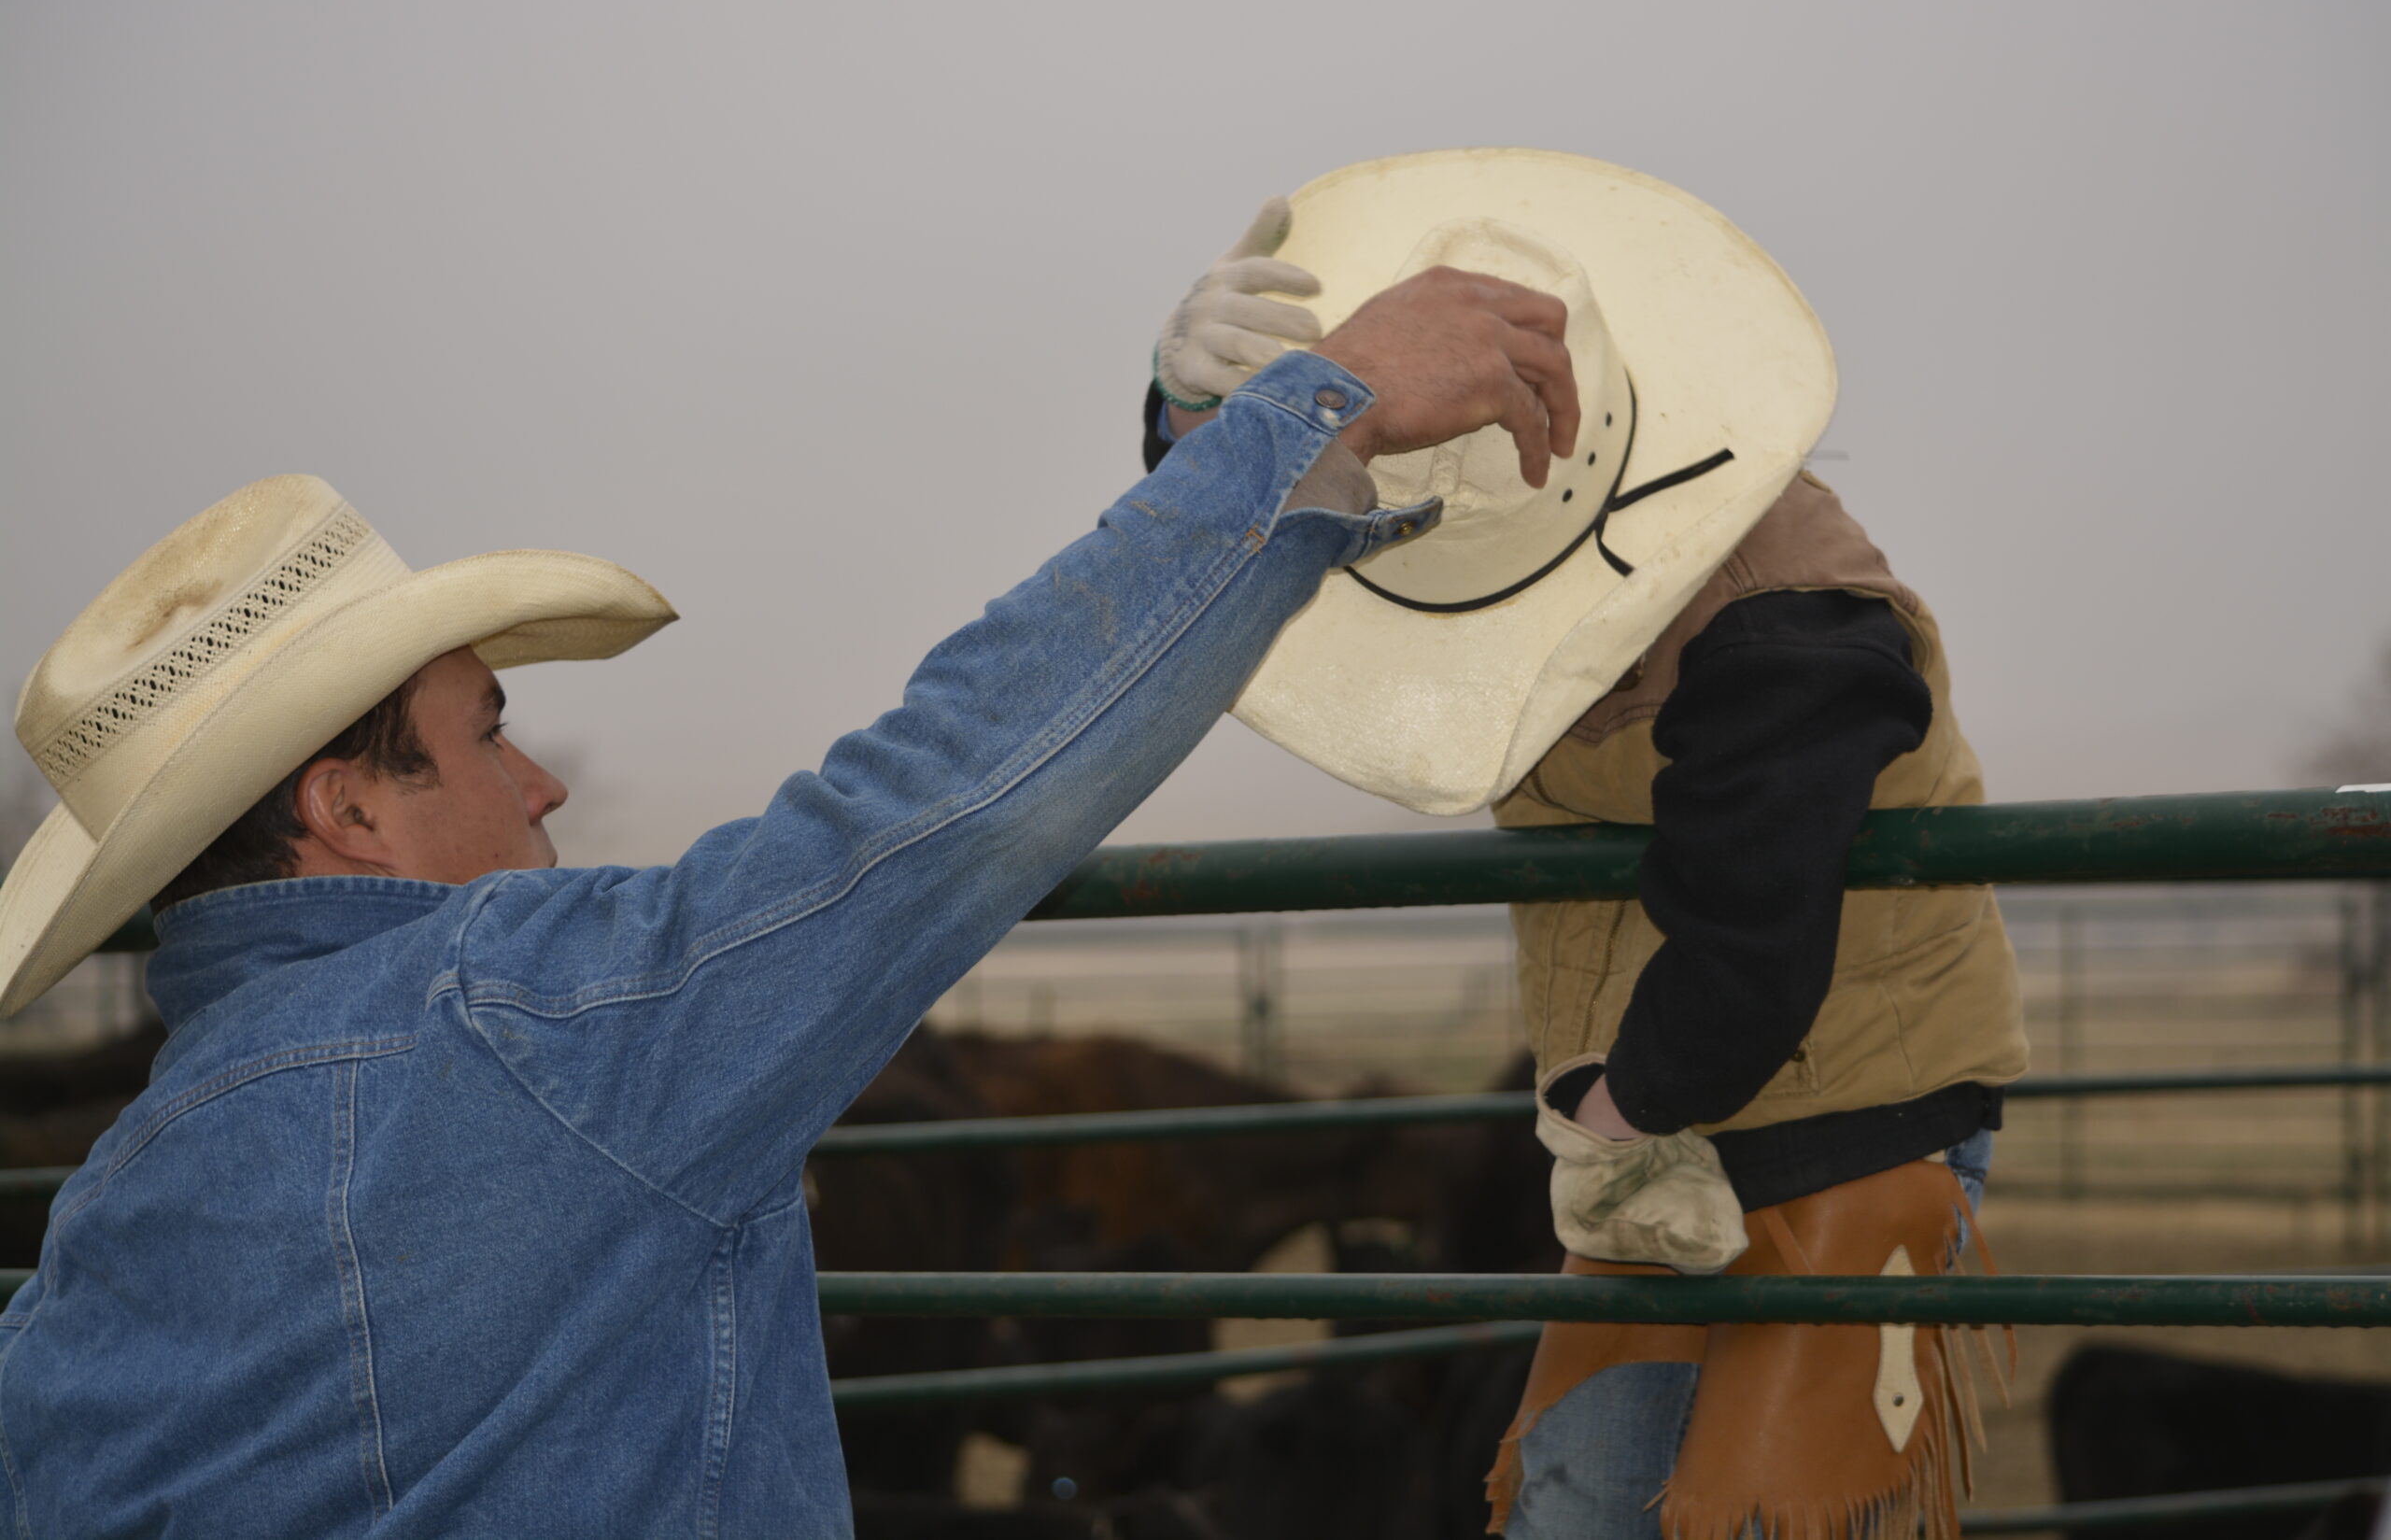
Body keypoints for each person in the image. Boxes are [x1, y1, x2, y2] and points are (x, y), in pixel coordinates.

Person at [0, 267, 1579, 1536]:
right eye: (488, 732)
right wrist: (1313, 416)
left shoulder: (106, 1226)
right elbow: (935, 799)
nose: (543, 785)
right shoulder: (534, 1026)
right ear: (347, 811)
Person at [1143, 148, 2029, 1540]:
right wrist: (1197, 420)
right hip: (1641, 1122)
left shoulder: (1788, 619)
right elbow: (1241, 560)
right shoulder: (1538, 529)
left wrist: (1616, 1115)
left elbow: (1755, 924)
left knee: (1768, 1512)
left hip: (1838, 1120)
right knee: (1574, 1501)